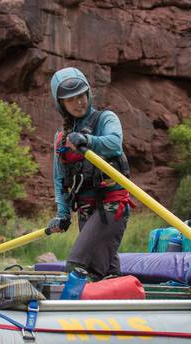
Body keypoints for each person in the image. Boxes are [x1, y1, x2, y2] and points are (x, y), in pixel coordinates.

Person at [48, 67, 133, 281]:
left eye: (81, 95)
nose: (79, 103)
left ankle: (71, 301)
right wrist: (63, 213)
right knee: (108, 272)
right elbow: (59, 179)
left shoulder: (106, 119)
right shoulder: (61, 137)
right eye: (70, 99)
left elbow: (114, 143)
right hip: (85, 211)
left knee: (78, 266)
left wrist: (87, 140)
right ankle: (119, 294)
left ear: (88, 94)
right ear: (61, 104)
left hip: (112, 206)